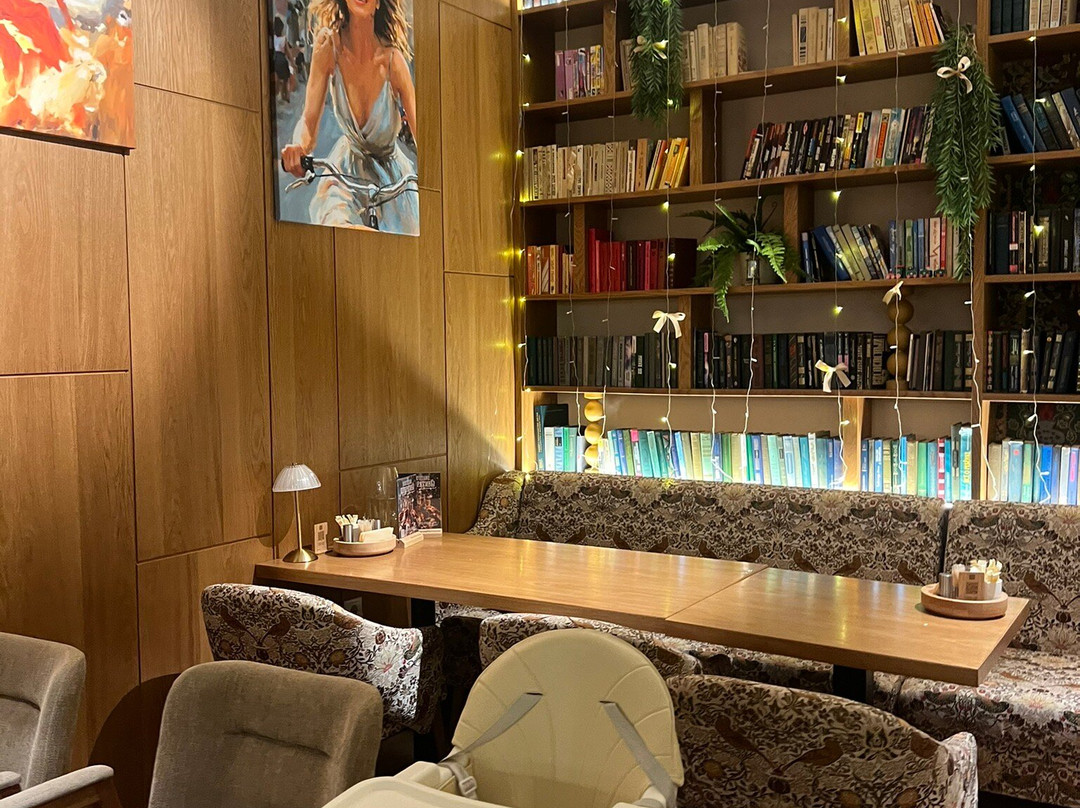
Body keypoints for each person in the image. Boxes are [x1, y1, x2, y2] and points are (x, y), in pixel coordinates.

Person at [281, 0, 419, 234]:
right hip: (345, 172)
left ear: (378, 3)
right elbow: (308, 122)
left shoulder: (393, 61)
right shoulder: (329, 46)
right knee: (337, 223)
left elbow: (423, 136)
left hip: (392, 180)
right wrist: (298, 148)